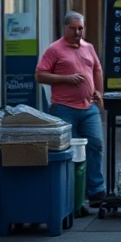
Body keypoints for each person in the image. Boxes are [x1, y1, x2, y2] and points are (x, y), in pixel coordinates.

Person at [36, 11, 106, 205]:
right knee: (69, 151)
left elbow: (97, 69)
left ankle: (96, 190)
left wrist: (99, 92)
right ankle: (72, 193)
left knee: (96, 144)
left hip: (88, 108)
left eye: (81, 28)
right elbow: (40, 75)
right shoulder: (54, 49)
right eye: (74, 28)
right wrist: (66, 79)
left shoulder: (88, 48)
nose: (78, 32)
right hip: (63, 108)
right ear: (65, 28)